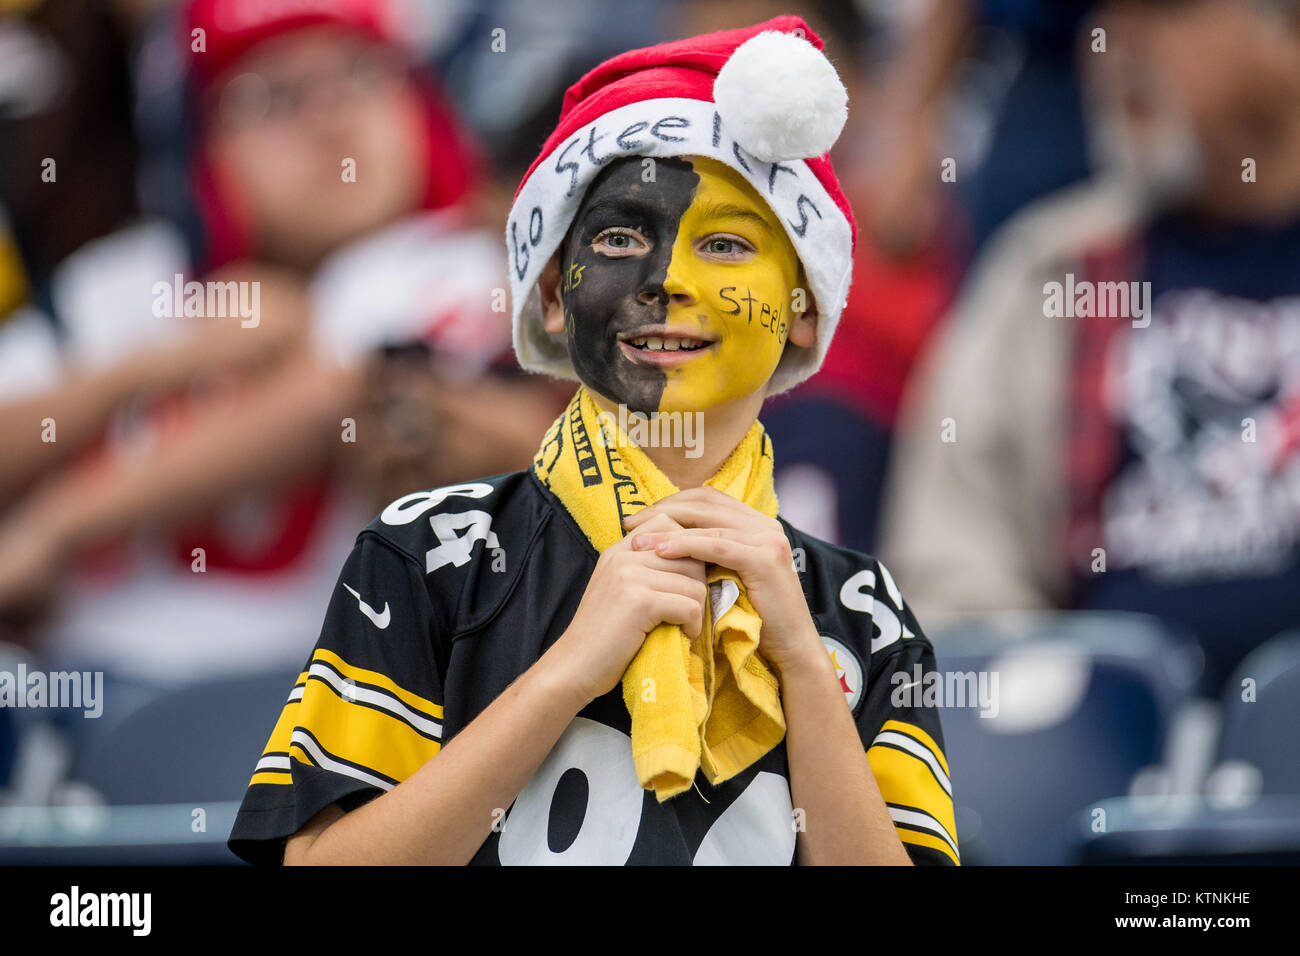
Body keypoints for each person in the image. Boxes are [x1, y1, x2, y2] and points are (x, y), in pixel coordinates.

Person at [229, 16, 959, 866]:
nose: (666, 282)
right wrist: (567, 672)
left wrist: (800, 658)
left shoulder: (860, 610)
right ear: (550, 297)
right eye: (619, 238)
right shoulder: (427, 555)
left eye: (724, 244)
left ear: (805, 308)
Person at [881, 0, 1300, 689]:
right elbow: (952, 576)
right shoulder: (1046, 270)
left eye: (1167, 13)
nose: (1118, 43)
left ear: (1285, 36)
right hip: (1109, 757)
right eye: (1104, 18)